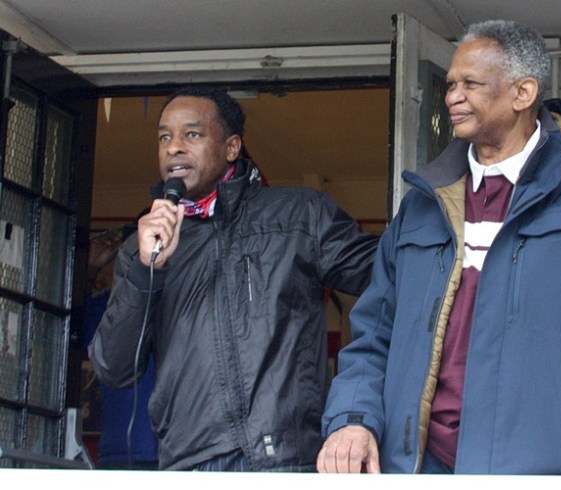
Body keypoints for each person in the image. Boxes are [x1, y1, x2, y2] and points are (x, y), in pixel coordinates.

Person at [317, 20, 561, 476]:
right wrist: (353, 419)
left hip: (544, 473)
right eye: (451, 84)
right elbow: (373, 335)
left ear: (523, 93)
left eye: (470, 84)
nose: (451, 97)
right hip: (421, 470)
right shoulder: (424, 203)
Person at [88, 86, 378, 471]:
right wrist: (146, 269)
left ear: (231, 147)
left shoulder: (298, 216)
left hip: (288, 461)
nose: (174, 147)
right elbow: (114, 368)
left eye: (191, 134)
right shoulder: (140, 252)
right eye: (164, 137)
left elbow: (389, 273)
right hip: (191, 464)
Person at [81, 227, 158, 470]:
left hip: (182, 449)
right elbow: (66, 330)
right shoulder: (107, 304)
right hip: (120, 450)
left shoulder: (188, 299)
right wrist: (90, 270)